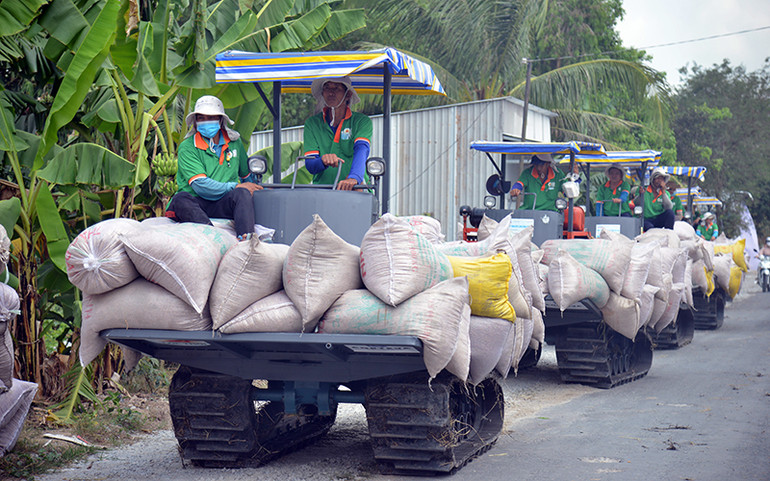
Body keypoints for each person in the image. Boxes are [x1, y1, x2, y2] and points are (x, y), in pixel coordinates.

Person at [166, 95, 262, 241]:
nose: (205, 122)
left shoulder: (235, 143)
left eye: (210, 117)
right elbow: (200, 186)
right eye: (201, 118)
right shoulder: (187, 147)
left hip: (223, 203)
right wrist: (236, 186)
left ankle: (247, 240)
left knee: (242, 193)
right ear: (195, 122)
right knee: (180, 199)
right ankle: (212, 236)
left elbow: (247, 177)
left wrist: (256, 188)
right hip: (196, 201)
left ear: (220, 120)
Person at [303, 77, 373, 191]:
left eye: (337, 88)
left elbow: (362, 149)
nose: (331, 92)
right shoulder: (312, 123)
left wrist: (354, 178)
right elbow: (310, 165)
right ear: (322, 93)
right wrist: (322, 161)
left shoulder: (361, 121)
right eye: (327, 88)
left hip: (355, 189)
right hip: (322, 192)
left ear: (348, 94)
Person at [509, 154, 579, 211]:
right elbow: (519, 184)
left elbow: (568, 193)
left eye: (541, 165)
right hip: (529, 212)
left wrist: (575, 177)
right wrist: (515, 189)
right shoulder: (527, 173)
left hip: (551, 214)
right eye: (536, 165)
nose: (538, 168)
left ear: (548, 164)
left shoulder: (558, 174)